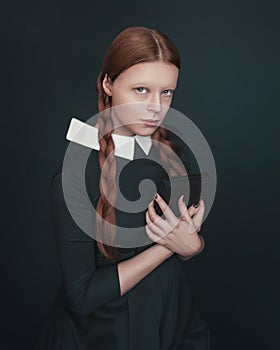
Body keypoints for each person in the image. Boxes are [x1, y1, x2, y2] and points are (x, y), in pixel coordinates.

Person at [35, 26, 210, 350]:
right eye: (141, 90)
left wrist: (194, 244)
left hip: (174, 321)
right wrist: (174, 247)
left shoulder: (179, 156)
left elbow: (191, 232)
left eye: (167, 92)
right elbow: (83, 297)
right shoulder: (73, 179)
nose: (156, 107)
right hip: (107, 336)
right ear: (108, 84)